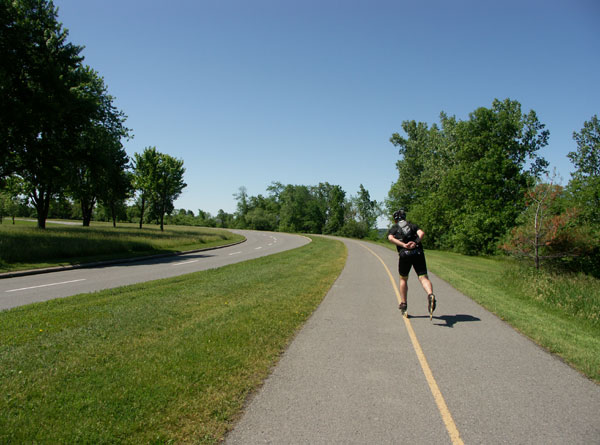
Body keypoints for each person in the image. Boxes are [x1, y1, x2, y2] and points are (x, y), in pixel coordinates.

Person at [387, 209, 436, 318]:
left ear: (395, 220)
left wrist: (404, 245)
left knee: (403, 279)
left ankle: (404, 303)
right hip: (418, 252)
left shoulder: (394, 228)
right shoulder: (412, 225)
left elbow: (390, 238)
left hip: (405, 254)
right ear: (404, 217)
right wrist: (416, 242)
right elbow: (421, 233)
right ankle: (430, 294)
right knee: (423, 277)